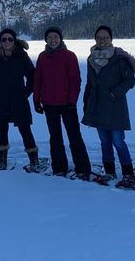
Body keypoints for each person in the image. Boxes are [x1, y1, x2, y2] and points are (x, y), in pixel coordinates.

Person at [82, 25, 135, 186]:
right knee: (104, 141)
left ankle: (128, 173)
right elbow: (90, 84)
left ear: (111, 39)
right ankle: (109, 171)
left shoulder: (119, 59)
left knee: (118, 141)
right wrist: (86, 102)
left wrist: (114, 93)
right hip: (98, 106)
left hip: (115, 108)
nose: (102, 41)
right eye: (99, 38)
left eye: (105, 37)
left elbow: (130, 80)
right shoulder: (91, 59)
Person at [33, 26, 91, 179]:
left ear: (60, 39)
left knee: (74, 136)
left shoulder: (69, 56)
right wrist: (36, 100)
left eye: (55, 37)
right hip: (48, 104)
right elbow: (37, 79)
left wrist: (72, 101)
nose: (53, 40)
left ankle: (83, 168)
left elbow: (75, 80)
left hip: (67, 104)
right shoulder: (42, 57)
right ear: (46, 40)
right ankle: (59, 167)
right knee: (55, 136)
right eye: (50, 37)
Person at [0, 28, 39, 171]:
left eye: (10, 39)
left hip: (18, 98)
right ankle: (2, 162)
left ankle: (34, 161)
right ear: (0, 41)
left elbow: (32, 76)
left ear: (15, 40)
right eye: (4, 39)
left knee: (25, 128)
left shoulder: (22, 56)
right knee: (1, 129)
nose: (7, 42)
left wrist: (26, 93)